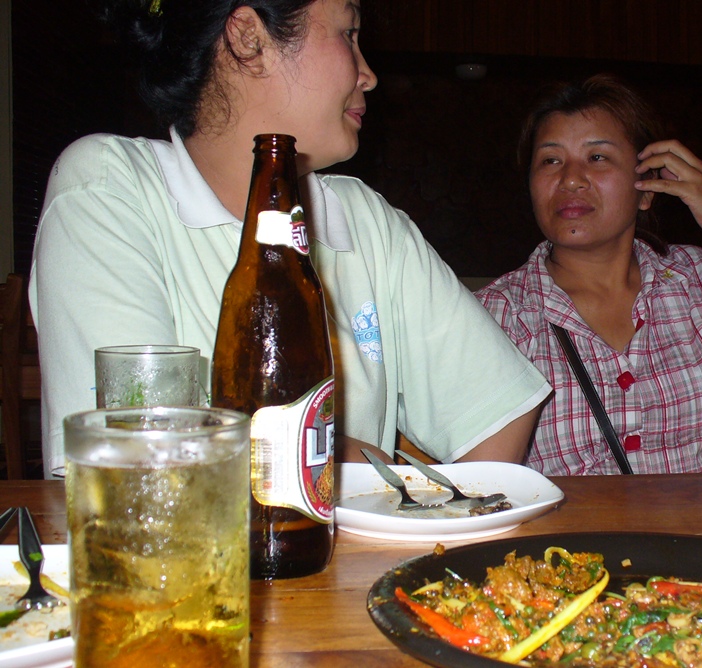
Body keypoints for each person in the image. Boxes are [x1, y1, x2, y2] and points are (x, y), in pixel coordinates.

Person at [29, 0, 549, 478]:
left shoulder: (363, 217)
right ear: (248, 36)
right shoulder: (110, 187)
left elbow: (497, 413)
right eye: (348, 33)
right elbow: (138, 458)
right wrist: (353, 461)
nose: (368, 74)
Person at [476, 75, 702, 476]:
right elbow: (480, 481)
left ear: (647, 190)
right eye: (550, 160)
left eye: (597, 157)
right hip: (578, 521)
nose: (571, 178)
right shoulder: (494, 317)